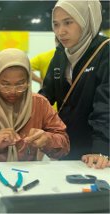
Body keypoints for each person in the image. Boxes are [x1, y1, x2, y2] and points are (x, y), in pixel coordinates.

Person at [39, 0, 109, 166]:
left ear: (86, 19)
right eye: (56, 24)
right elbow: (45, 96)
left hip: (96, 153)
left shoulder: (105, 52)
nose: (60, 32)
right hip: (66, 148)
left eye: (68, 22)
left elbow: (106, 106)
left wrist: (101, 150)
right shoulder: (61, 54)